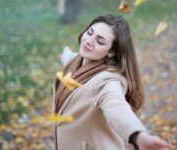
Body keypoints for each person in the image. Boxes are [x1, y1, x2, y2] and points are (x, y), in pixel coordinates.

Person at [54, 14, 170, 150]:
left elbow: (116, 107)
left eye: (100, 41)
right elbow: (71, 58)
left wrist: (139, 136)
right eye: (90, 33)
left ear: (112, 52)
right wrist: (65, 55)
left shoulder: (108, 81)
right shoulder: (76, 61)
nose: (88, 41)